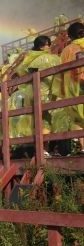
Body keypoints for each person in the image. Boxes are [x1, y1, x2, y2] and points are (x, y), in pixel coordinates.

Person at [58, 21, 84, 152]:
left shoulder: (67, 50)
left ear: (69, 36)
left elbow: (61, 71)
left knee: (77, 117)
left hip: (76, 86)